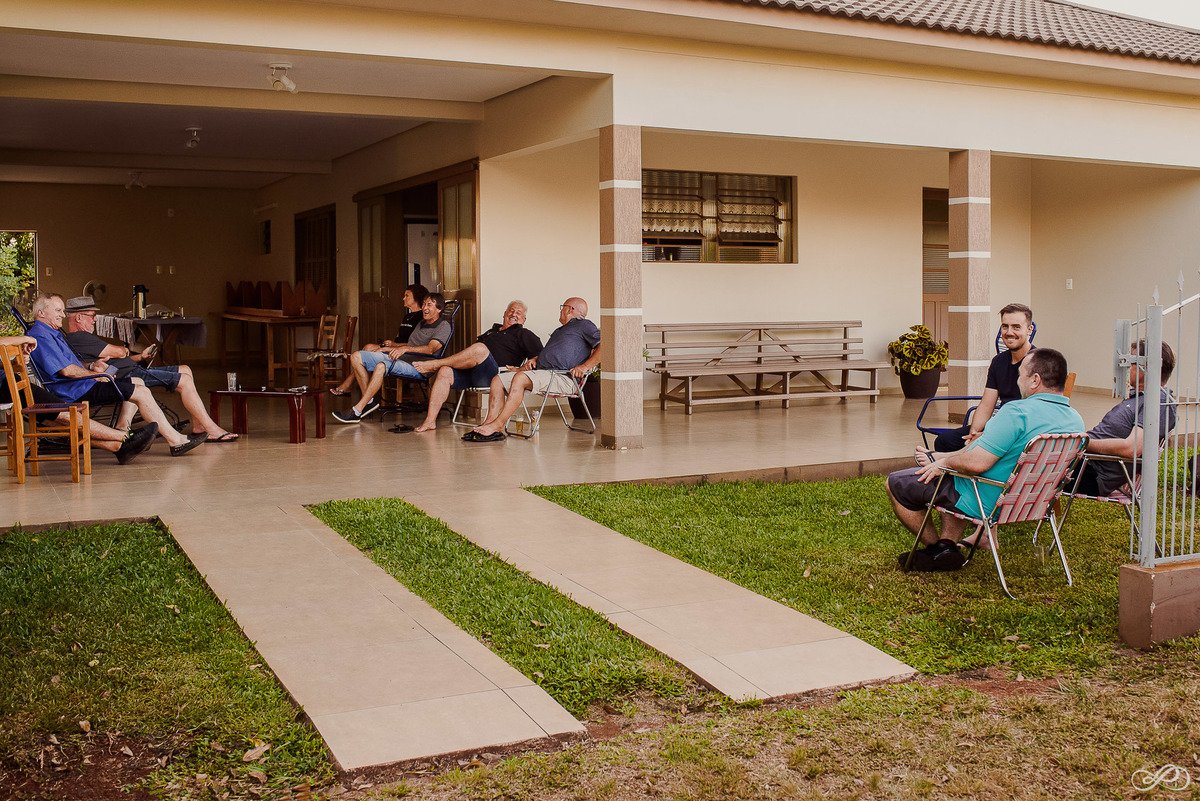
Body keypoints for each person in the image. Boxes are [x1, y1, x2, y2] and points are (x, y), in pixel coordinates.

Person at [887, 348, 1084, 572]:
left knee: (896, 482)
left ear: (1035, 380)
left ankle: (939, 551)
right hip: (1033, 503)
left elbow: (976, 464)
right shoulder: (1075, 420)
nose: (1018, 380)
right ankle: (946, 543)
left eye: (1021, 375)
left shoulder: (1016, 412)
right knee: (959, 476)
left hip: (989, 500)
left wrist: (944, 463)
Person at [26, 293, 207, 456]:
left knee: (136, 381)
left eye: (63, 311)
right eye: (58, 310)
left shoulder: (52, 333)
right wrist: (92, 374)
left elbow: (71, 364)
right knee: (141, 392)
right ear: (41, 313)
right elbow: (67, 371)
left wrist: (92, 364)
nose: (63, 315)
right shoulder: (41, 335)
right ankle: (176, 441)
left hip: (81, 384)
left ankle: (123, 428)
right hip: (75, 390)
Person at [61, 295, 237, 442]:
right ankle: (211, 429)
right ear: (78, 317)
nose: (95, 320)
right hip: (127, 375)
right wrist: (124, 350)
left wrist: (140, 357)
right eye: (91, 316)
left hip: (129, 369)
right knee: (185, 380)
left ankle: (199, 426)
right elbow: (118, 353)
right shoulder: (80, 337)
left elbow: (115, 359)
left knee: (186, 369)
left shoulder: (81, 338)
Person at [1, 334, 157, 464]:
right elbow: (2, 342)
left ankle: (117, 447)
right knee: (64, 413)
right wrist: (27, 338)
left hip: (8, 382)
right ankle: (124, 437)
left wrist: (11, 365)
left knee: (51, 419)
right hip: (5, 386)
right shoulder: (37, 334)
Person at [463, 296, 600, 443]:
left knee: (520, 378)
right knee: (498, 380)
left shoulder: (584, 325)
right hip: (543, 374)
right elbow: (549, 356)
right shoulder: (560, 331)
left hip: (563, 378)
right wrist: (528, 364)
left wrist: (585, 366)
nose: (561, 311)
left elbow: (605, 344)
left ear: (569, 309)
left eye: (563, 307)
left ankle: (498, 424)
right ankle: (488, 424)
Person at [408, 300, 543, 433]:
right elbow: (470, 354)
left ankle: (436, 363)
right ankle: (430, 421)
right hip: (473, 372)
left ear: (524, 319)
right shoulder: (492, 331)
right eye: (511, 311)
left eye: (518, 313)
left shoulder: (524, 334)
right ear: (504, 314)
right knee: (445, 371)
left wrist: (521, 369)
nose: (514, 314)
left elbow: (539, 357)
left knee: (480, 349)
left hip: (494, 375)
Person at [924, 303, 1036, 457]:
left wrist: (986, 436)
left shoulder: (1039, 362)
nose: (1009, 332)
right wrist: (974, 433)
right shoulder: (998, 361)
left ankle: (950, 463)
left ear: (1029, 330)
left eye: (1016, 327)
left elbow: (1035, 412)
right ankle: (954, 477)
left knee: (980, 445)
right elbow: (986, 405)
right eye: (1005, 327)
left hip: (1021, 430)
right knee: (945, 441)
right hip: (997, 425)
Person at [1074, 340, 1176, 497]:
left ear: (1146, 366)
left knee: (1029, 455)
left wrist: (1080, 443)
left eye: (1132, 361)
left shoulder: (1159, 400)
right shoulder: (1139, 398)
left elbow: (1132, 448)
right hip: (1082, 462)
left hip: (1091, 471)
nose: (1127, 366)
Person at [333, 292, 450, 423]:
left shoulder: (444, 326)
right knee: (356, 356)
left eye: (429, 304)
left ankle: (357, 410)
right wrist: (393, 347)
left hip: (420, 365)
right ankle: (369, 401)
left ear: (439, 309)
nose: (424, 308)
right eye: (423, 304)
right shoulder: (422, 323)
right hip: (404, 358)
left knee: (381, 365)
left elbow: (430, 349)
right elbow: (411, 345)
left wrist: (404, 349)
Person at [329, 283, 428, 397]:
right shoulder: (407, 316)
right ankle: (358, 390)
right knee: (367, 348)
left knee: (365, 351)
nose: (403, 298)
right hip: (395, 347)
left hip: (404, 352)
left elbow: (415, 344)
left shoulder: (421, 317)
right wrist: (390, 343)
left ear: (416, 298)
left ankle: (355, 389)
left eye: (407, 296)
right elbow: (398, 336)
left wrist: (394, 345)